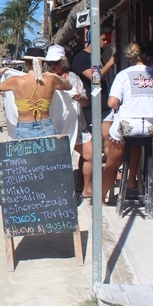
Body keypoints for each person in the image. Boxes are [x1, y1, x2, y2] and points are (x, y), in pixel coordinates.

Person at [101, 42, 153, 203]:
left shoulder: (123, 75)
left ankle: (101, 197)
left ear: (129, 58)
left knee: (113, 161)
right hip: (150, 128)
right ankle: (131, 180)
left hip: (127, 126)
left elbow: (112, 103)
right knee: (136, 142)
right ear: (144, 55)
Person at [44, 45, 94, 199]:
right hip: (54, 126)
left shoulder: (73, 78)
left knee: (91, 155)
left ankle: (87, 188)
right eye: (50, 63)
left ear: (63, 61)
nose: (52, 66)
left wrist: (79, 97)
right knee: (55, 163)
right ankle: (58, 193)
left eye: (56, 62)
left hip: (76, 125)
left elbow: (86, 102)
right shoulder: (44, 79)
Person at [0, 47, 72, 139]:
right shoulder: (51, 80)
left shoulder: (16, 81)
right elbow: (69, 86)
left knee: (26, 154)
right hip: (46, 125)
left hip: (24, 127)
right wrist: (55, 76)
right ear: (42, 63)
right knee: (49, 153)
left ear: (26, 63)